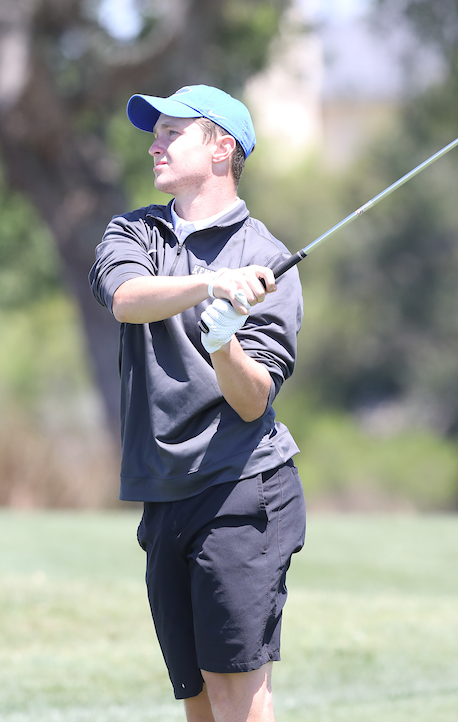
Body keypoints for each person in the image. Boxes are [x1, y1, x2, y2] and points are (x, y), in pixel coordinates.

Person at [89, 85, 306, 722]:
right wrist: (208, 285)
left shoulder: (267, 259)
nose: (154, 144)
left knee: (238, 699)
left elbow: (252, 398)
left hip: (241, 488)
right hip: (165, 493)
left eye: (172, 132)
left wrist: (223, 344)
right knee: (201, 706)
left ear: (221, 148)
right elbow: (126, 296)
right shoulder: (134, 231)